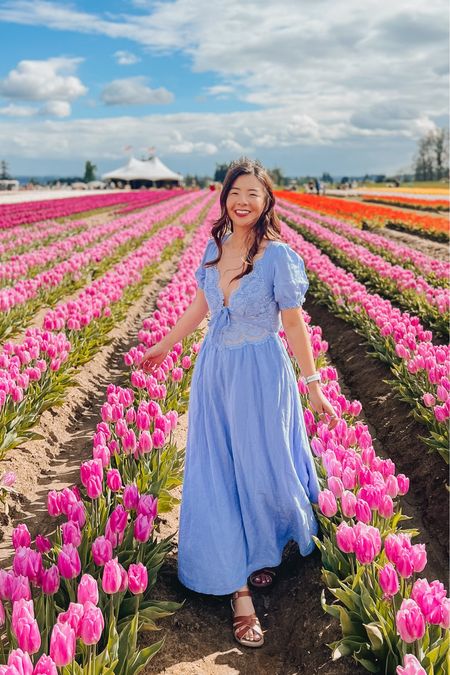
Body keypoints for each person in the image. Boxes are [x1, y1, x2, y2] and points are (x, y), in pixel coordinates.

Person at [141, 157, 337, 649]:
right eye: (235, 193)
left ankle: (263, 550)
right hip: (215, 372)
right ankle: (238, 589)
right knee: (217, 468)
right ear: (224, 198)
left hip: (262, 373)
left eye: (253, 193)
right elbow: (202, 305)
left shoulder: (278, 257)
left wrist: (312, 384)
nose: (243, 201)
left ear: (267, 200)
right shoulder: (215, 246)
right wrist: (167, 343)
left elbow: (293, 324)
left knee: (262, 465)